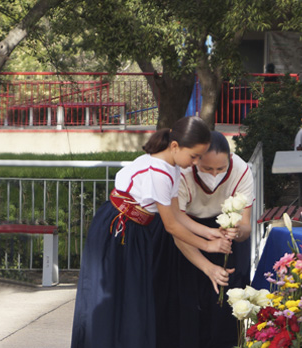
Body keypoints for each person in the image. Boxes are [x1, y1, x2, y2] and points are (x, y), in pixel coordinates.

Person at [71, 117, 232, 348]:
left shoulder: (172, 168)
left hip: (135, 231)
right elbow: (171, 226)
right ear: (175, 146)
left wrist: (210, 232)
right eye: (194, 156)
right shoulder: (159, 171)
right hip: (118, 231)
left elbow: (178, 215)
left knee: (133, 301)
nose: (195, 162)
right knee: (111, 300)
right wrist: (208, 246)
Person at [167, 131, 252, 348]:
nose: (214, 175)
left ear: (230, 160)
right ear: (196, 161)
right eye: (207, 169)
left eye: (220, 169)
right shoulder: (182, 173)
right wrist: (207, 266)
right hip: (188, 228)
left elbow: (246, 227)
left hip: (225, 231)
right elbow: (177, 228)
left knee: (226, 302)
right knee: (188, 301)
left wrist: (236, 231)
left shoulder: (242, 170)